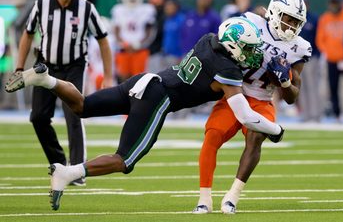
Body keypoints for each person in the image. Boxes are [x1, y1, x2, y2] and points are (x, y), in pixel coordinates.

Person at [6, 17, 285, 211]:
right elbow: (246, 116)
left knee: (82, 106)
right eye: (247, 48)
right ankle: (67, 173)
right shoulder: (228, 69)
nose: (251, 54)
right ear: (234, 45)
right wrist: (276, 130)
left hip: (144, 80)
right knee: (124, 160)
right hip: (157, 97)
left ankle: (46, 80)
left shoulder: (208, 40)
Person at [192, 0, 311, 214]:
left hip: (262, 100)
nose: (292, 25)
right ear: (275, 13)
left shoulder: (300, 47)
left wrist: (284, 82)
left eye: (297, 22)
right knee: (212, 136)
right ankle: (204, 198)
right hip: (235, 92)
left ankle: (232, 197)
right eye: (288, 18)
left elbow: (293, 97)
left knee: (255, 139)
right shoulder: (252, 22)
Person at [12, 0, 113, 186]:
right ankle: (59, 163)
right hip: (45, 68)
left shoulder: (86, 8)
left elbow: (103, 41)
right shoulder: (42, 4)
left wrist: (108, 76)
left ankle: (76, 171)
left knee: (74, 115)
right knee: (38, 117)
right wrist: (19, 67)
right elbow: (28, 34)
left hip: (74, 68)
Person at [316, 0, 343, 123]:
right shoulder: (325, 18)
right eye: (332, 3)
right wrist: (327, 52)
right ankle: (337, 114)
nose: (334, 5)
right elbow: (320, 39)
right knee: (333, 88)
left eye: (336, 2)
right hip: (331, 60)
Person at [111, 0, 156, 83]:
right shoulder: (118, 9)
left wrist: (141, 44)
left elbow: (150, 30)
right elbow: (116, 29)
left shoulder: (147, 9)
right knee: (123, 77)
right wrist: (122, 43)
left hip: (140, 50)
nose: (132, 2)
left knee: (140, 78)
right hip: (123, 49)